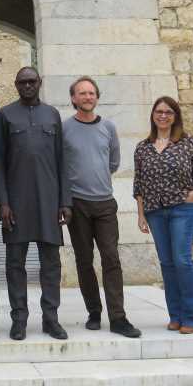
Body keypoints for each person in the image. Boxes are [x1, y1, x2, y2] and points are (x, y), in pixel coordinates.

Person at [62, 77, 141, 338]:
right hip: (77, 204)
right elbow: (60, 165)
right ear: (73, 98)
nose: (87, 97)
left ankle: (118, 317)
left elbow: (113, 162)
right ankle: (94, 312)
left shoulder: (108, 127)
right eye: (82, 93)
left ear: (97, 97)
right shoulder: (65, 129)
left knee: (111, 258)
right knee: (84, 260)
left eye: (91, 93)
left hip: (105, 203)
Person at [0, 67, 71, 341]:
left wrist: (65, 201)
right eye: (22, 82)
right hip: (16, 203)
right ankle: (19, 319)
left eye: (32, 81)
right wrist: (3, 202)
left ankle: (51, 319)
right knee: (14, 264)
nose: (27, 86)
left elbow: (62, 160)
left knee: (51, 263)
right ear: (16, 85)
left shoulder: (52, 114)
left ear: (39, 83)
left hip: (49, 202)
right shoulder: (5, 115)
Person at [134, 96, 193, 335]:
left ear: (175, 116)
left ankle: (192, 318)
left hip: (182, 209)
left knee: (182, 260)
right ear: (153, 115)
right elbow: (139, 184)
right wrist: (141, 215)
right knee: (167, 263)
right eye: (159, 111)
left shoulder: (188, 142)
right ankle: (175, 316)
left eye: (168, 112)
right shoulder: (143, 147)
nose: (163, 116)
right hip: (154, 212)